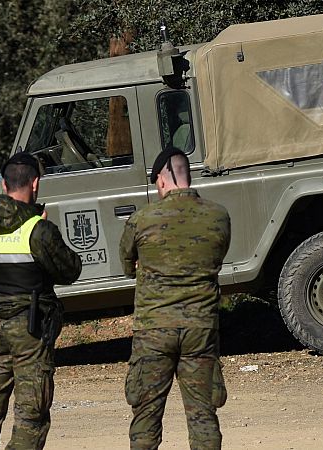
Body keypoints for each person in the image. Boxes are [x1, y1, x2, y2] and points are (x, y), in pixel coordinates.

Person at [119, 148, 232, 449]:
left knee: (146, 415)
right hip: (201, 329)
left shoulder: (141, 220)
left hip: (153, 331)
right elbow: (217, 258)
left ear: (161, 180)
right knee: (203, 415)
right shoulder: (218, 216)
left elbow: (127, 266)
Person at [0, 153, 82, 450]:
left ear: (4, 185)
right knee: (32, 415)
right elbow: (70, 270)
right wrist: (45, 230)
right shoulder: (37, 229)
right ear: (35, 184)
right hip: (29, 329)